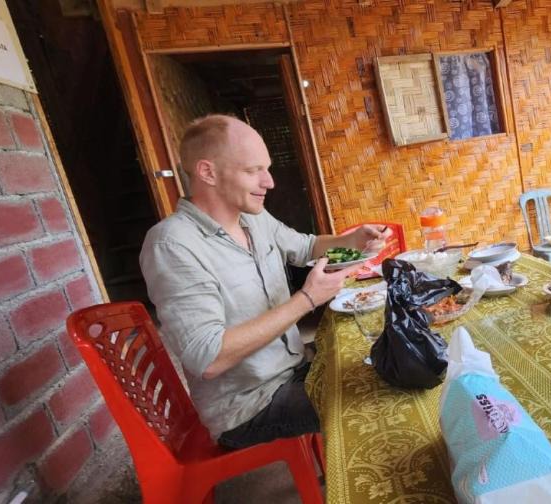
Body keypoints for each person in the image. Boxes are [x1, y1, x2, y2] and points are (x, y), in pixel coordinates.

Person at [140, 114, 388, 449]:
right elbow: (207, 358)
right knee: (381, 397)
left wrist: (352, 240)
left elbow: (306, 247)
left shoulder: (253, 220)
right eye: (253, 170)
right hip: (250, 407)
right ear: (207, 172)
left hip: (294, 367)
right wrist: (307, 299)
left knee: (385, 358)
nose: (269, 182)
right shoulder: (172, 245)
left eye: (267, 168)